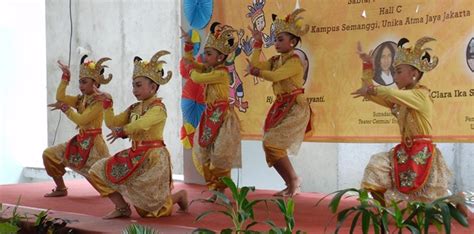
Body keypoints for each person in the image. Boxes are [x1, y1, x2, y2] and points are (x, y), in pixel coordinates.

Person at [353, 37, 468, 216]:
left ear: (413, 74)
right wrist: (368, 66)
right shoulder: (401, 99)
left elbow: (384, 91)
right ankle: (384, 212)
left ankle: (456, 199)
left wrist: (372, 90)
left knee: (427, 200)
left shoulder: (420, 95)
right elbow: (370, 92)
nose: (394, 76)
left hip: (422, 152)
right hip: (404, 151)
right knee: (376, 166)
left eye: (398, 72)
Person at [89, 50, 188, 219]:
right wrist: (107, 103)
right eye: (133, 85)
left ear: (153, 86)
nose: (134, 89)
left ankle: (179, 196)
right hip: (134, 154)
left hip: (154, 158)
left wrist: (124, 131)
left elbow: (141, 125)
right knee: (96, 171)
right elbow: (112, 122)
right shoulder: (134, 108)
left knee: (150, 212)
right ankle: (122, 208)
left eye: (139, 85)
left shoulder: (158, 108)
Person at [246, 9, 312, 197]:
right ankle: (291, 181)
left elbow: (274, 75)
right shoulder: (276, 59)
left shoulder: (295, 61)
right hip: (281, 106)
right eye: (275, 39)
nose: (276, 43)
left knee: (272, 143)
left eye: (280, 39)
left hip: (295, 107)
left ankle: (293, 181)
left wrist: (257, 73)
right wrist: (257, 44)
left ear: (292, 41)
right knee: (269, 145)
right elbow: (256, 65)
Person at [181, 22, 242, 200]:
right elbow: (190, 62)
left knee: (220, 156)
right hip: (210, 115)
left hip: (223, 117)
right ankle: (215, 189)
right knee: (204, 153)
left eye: (208, 54)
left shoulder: (221, 73)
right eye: (205, 53)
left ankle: (221, 189)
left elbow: (197, 76)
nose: (204, 57)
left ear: (221, 56)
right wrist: (188, 46)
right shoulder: (211, 68)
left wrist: (191, 68)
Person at [43, 56, 112, 197]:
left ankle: (119, 200)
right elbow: (60, 97)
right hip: (80, 141)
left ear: (96, 83)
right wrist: (65, 77)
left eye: (84, 82)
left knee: (104, 186)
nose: (81, 85)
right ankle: (61, 188)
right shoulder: (81, 99)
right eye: (80, 82)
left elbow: (82, 120)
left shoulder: (99, 101)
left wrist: (65, 109)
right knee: (49, 154)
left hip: (94, 146)